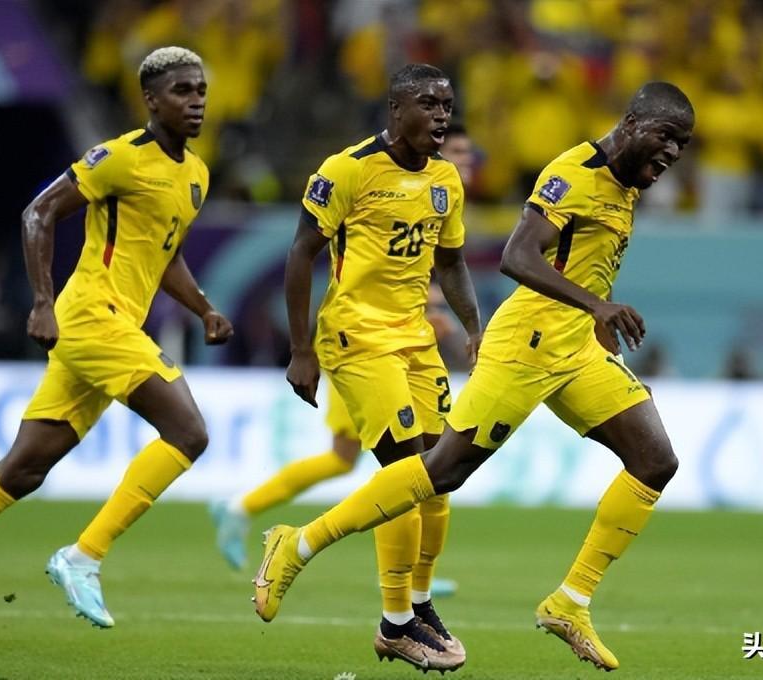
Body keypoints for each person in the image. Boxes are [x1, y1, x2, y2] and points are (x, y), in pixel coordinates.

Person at [253, 81, 695, 673]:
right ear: (634, 122)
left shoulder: (625, 184)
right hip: (526, 346)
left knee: (655, 460)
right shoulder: (576, 173)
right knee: (440, 472)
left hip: (576, 350)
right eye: (667, 137)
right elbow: (518, 256)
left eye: (682, 145)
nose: (673, 153)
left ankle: (570, 602)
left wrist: (591, 316)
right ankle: (299, 543)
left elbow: (564, 262)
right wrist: (597, 306)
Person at [0, 47, 233, 656]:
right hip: (91, 317)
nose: (195, 101)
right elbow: (38, 212)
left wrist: (203, 308)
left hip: (112, 328)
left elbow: (164, 253)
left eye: (201, 90)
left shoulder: (195, 174)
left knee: (23, 469)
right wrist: (41, 301)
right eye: (181, 90)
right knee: (189, 432)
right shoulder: (119, 158)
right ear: (150, 99)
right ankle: (83, 556)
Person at [268, 64, 482, 672]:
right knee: (407, 473)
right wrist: (301, 349)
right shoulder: (348, 170)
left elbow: (451, 262)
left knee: (441, 476)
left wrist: (474, 327)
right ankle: (394, 622)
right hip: (356, 336)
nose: (441, 115)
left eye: (447, 105)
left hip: (416, 339)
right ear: (395, 109)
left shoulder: (445, 179)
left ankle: (420, 602)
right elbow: (301, 253)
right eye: (428, 104)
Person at [208, 127, 478, 584]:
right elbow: (342, 259)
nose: (463, 161)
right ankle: (401, 586)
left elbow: (432, 265)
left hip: (404, 345)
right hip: (365, 345)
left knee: (373, 462)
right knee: (397, 470)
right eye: (457, 151)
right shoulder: (372, 177)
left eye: (468, 154)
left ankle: (412, 583)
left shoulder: (441, 193)